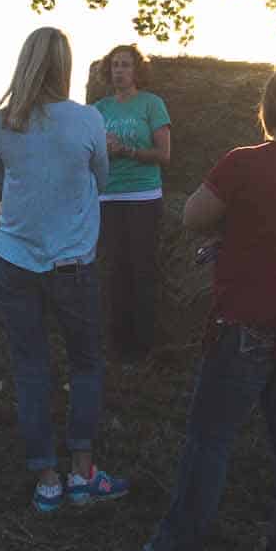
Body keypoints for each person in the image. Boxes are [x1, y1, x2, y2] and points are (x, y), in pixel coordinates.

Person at [114, 57, 276, 551]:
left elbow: (192, 216)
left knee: (211, 436)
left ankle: (176, 550)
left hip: (251, 316)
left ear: (268, 105)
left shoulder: (242, 163)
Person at [0, 27, 128, 515]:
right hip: (72, 263)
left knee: (30, 367)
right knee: (85, 363)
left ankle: (46, 478)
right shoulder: (87, 120)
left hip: (14, 258)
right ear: (66, 67)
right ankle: (83, 471)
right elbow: (103, 177)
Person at [94, 43, 172, 360]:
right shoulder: (99, 109)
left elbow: (165, 155)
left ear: (137, 70)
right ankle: (117, 343)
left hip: (143, 195)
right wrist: (102, 149)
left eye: (126, 65)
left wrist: (126, 151)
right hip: (108, 195)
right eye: (114, 65)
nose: (119, 70)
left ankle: (144, 345)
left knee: (142, 268)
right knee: (114, 269)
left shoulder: (151, 104)